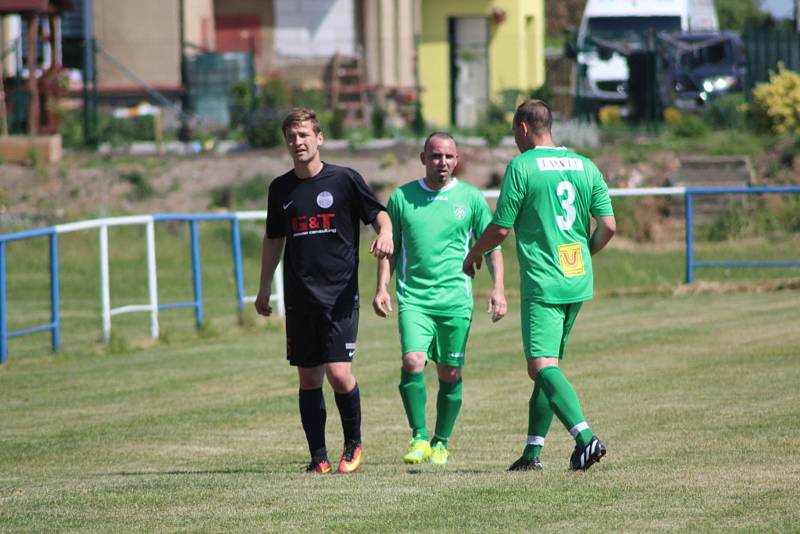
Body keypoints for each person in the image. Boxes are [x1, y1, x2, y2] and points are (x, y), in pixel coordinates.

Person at [463, 99, 616, 472]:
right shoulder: (585, 164)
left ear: (523, 128)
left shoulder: (522, 166)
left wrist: (473, 254)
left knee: (541, 367)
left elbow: (500, 228)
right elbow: (609, 226)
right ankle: (532, 454)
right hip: (577, 278)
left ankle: (585, 438)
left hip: (544, 280)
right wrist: (586, 254)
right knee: (551, 367)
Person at [255, 108, 393, 474]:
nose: (297, 143)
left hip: (340, 297)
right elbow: (273, 240)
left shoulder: (345, 180)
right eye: (291, 137)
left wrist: (386, 233)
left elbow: (380, 215)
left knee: (338, 373)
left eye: (304, 136)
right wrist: (264, 287)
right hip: (301, 299)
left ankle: (353, 444)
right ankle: (318, 458)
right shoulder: (280, 189)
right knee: (309, 378)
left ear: (319, 139)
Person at [373, 132, 507, 466]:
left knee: (450, 372)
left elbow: (491, 245)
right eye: (435, 156)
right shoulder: (402, 198)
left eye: (448, 157)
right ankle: (418, 436)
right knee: (413, 361)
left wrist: (499, 289)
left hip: (456, 302)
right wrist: (382, 287)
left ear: (457, 160)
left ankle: (441, 441)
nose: (442, 163)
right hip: (414, 298)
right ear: (423, 159)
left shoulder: (471, 198)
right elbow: (390, 249)